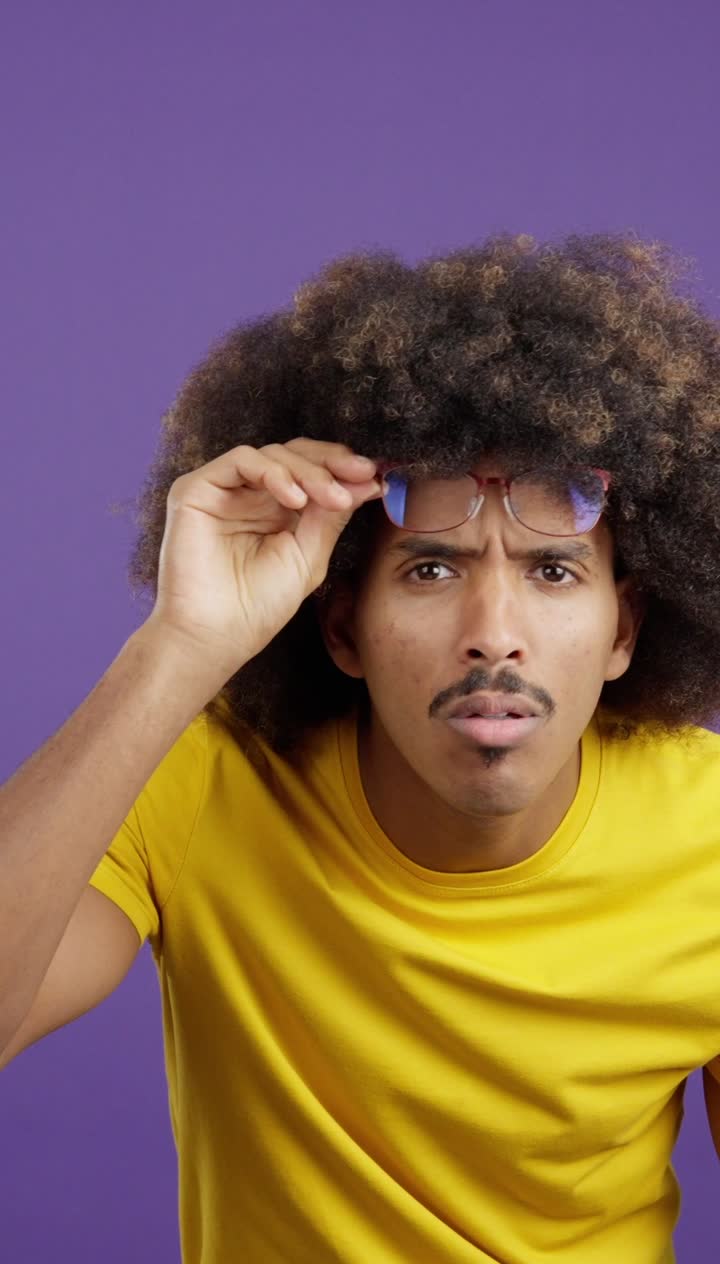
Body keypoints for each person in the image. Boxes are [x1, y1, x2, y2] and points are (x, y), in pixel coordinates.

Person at [1, 231, 719, 1264]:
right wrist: (178, 644)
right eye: (431, 568)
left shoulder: (711, 839)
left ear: (624, 630)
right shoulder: (203, 780)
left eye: (554, 572)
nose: (494, 628)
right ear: (339, 625)